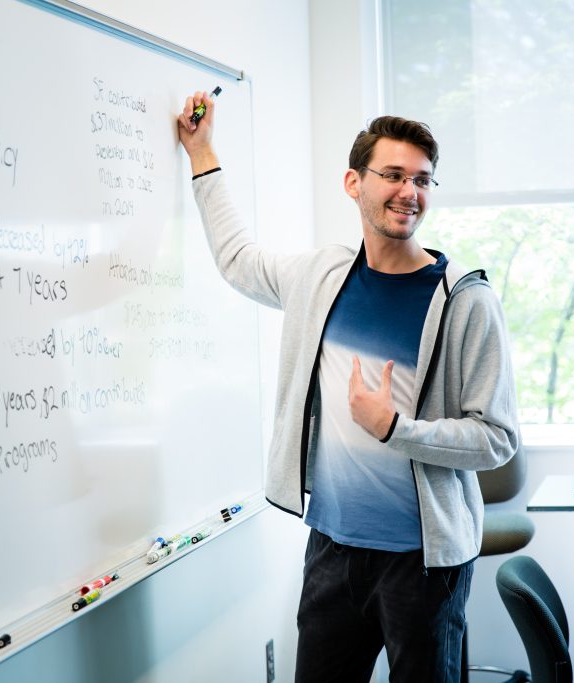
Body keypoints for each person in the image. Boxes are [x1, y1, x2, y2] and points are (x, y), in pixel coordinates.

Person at [177, 92, 519, 683]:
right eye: (392, 175)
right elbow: (236, 259)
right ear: (353, 182)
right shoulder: (320, 277)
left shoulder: (465, 301)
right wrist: (202, 153)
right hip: (332, 550)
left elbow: (496, 439)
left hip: (423, 566)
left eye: (422, 179)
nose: (409, 192)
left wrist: (396, 429)